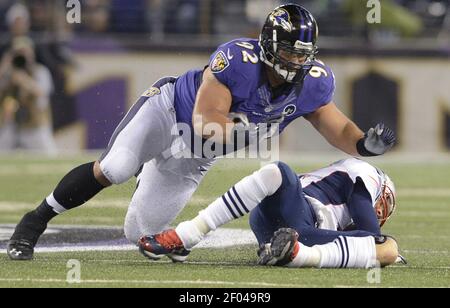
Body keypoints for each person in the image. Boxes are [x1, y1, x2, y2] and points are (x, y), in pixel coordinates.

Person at [7, 4, 395, 261]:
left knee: (139, 234)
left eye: (302, 54)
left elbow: (338, 127)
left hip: (196, 155)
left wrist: (364, 144)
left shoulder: (313, 83)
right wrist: (243, 126)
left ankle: (152, 174)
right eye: (290, 51)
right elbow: (205, 120)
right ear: (269, 46)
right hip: (169, 112)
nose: (296, 61)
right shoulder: (238, 62)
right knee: (116, 167)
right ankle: (34, 221)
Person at [139, 158, 403, 268]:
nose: (379, 211)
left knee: (388, 251)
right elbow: (370, 233)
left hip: (282, 226)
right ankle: (187, 235)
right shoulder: (365, 175)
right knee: (278, 171)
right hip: (299, 214)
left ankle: (292, 253)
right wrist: (375, 244)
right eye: (383, 207)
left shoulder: (339, 195)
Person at [0, 37, 56, 154]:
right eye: (18, 52)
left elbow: (41, 93)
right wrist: (4, 67)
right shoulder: (8, 72)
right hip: (11, 123)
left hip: (34, 124)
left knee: (50, 156)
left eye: (25, 52)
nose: (22, 55)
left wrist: (23, 80)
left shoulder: (40, 71)